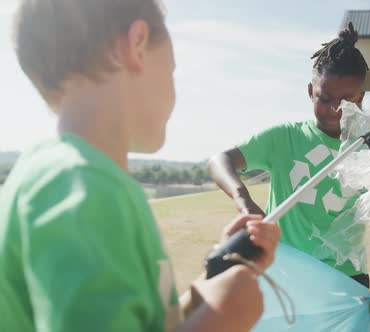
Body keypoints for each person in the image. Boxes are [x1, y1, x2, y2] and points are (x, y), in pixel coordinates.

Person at [0, 1, 279, 331]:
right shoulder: (85, 189)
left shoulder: (62, 178)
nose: (175, 92)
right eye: (173, 70)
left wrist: (214, 280)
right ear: (136, 44)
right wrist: (220, 320)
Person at [208, 22, 370, 318]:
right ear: (311, 91)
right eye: (325, 99)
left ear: (361, 98)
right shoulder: (284, 138)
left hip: (345, 280)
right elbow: (219, 161)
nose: (334, 110)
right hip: (283, 274)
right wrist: (244, 200)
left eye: (347, 101)